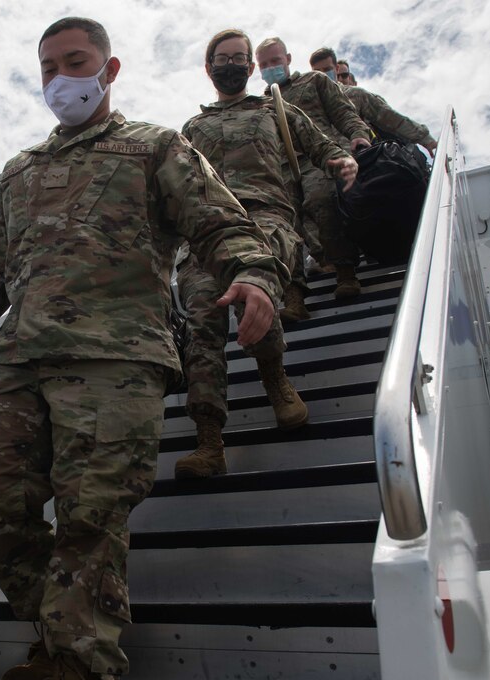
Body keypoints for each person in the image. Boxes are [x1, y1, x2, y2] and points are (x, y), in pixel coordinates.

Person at [0, 17, 286, 680]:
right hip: (16, 359)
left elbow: (218, 221)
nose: (59, 79)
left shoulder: (153, 147)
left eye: (74, 62)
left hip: (117, 355)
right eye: (47, 68)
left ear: (109, 71)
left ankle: (77, 677)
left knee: (90, 513)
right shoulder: (20, 171)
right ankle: (58, 629)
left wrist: (255, 273)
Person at [172, 29, 358, 479]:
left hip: (266, 218)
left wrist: (342, 161)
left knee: (256, 291)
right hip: (206, 231)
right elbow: (175, 186)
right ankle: (209, 441)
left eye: (240, 58)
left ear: (250, 68)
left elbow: (322, 146)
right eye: (223, 58)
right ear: (209, 67)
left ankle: (276, 382)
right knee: (201, 323)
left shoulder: (275, 109)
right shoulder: (192, 128)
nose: (232, 64)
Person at [256, 37, 372, 299]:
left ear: (287, 59)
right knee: (285, 227)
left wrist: (358, 133)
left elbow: (343, 112)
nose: (271, 67)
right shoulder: (260, 104)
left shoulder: (314, 82)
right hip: (281, 169)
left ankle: (345, 272)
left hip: (317, 158)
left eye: (275, 60)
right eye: (264, 64)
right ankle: (294, 295)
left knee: (322, 201)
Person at [310, 48, 437, 156]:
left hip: (358, 166)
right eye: (318, 72)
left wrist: (424, 137)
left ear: (336, 69)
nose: (323, 76)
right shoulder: (309, 105)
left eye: (327, 69)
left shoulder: (355, 95)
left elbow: (390, 117)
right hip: (324, 175)